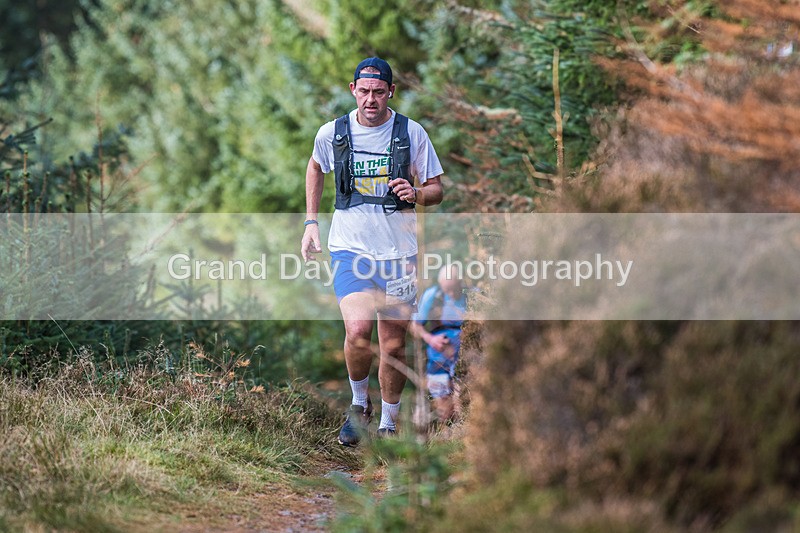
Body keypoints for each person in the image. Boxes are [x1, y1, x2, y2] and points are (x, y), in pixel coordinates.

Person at [301, 57, 444, 446]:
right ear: (353, 91)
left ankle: (389, 422)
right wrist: (311, 222)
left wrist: (416, 193)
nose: (370, 99)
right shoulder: (334, 133)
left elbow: (437, 189)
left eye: (378, 92)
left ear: (391, 93)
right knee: (359, 330)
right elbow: (316, 167)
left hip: (399, 254)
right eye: (363, 91)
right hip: (350, 249)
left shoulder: (411, 133)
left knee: (393, 343)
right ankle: (358, 405)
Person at [411, 265, 466, 423]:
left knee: (461, 401)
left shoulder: (471, 295)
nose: (450, 294)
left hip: (463, 357)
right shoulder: (433, 295)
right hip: (438, 359)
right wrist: (431, 339)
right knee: (444, 410)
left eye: (453, 289)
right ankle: (446, 438)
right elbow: (415, 325)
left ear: (460, 282)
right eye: (446, 289)